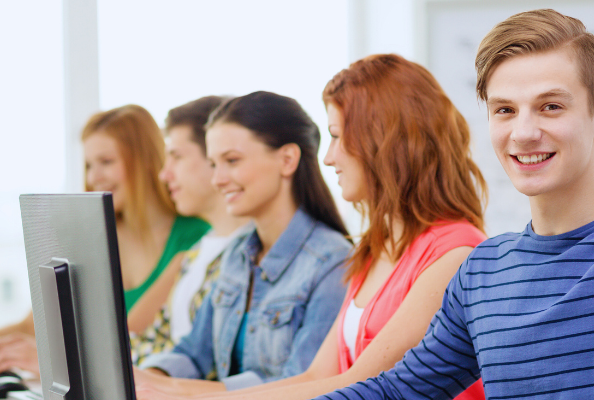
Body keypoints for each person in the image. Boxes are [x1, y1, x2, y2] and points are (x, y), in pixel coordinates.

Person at [317, 9, 594, 399]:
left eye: (551, 106)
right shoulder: (482, 270)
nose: (524, 132)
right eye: (505, 110)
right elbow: (398, 391)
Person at [136, 54, 488, 400]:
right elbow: (318, 375)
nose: (328, 156)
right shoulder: (374, 249)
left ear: (383, 140)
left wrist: (185, 397)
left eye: (336, 136)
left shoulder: (454, 252)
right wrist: (162, 387)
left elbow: (363, 384)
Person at [0, 104, 210, 376]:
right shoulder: (90, 239)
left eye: (107, 162)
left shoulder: (197, 238)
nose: (94, 176)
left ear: (145, 161)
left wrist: (34, 355)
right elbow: (31, 326)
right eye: (89, 165)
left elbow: (126, 338)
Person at [133, 91, 352, 394]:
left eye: (232, 161)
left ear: (287, 159)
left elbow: (300, 384)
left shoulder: (332, 261)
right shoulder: (237, 253)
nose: (218, 179)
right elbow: (194, 352)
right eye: (214, 164)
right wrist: (144, 377)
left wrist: (175, 390)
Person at [131, 95, 252, 364]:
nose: (165, 174)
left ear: (213, 157)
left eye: (176, 157)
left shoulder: (252, 253)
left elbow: (203, 364)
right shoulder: (197, 252)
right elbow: (152, 340)